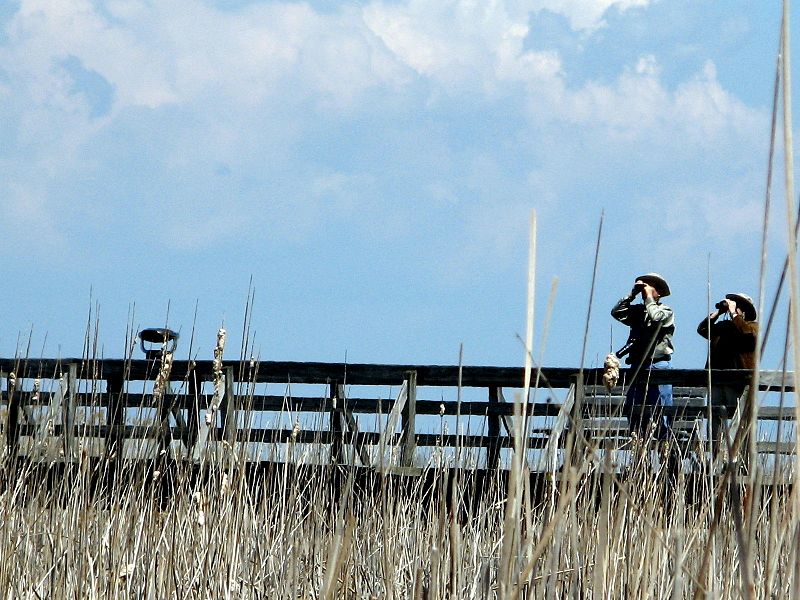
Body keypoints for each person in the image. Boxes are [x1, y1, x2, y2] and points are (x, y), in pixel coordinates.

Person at [611, 273, 675, 440]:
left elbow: (656, 317)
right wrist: (631, 295)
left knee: (661, 410)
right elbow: (617, 312)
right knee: (634, 410)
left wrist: (648, 298)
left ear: (659, 292)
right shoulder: (638, 312)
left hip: (658, 364)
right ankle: (638, 446)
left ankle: (666, 448)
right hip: (637, 366)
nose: (644, 289)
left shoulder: (666, 311)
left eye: (649, 285)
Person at [696, 292, 758, 453]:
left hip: (738, 380)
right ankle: (716, 452)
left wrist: (734, 315)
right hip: (717, 378)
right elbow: (703, 330)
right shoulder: (724, 327)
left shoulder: (751, 326)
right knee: (715, 416)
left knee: (739, 418)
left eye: (736, 304)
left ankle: (734, 454)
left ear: (743, 310)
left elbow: (747, 335)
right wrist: (717, 313)